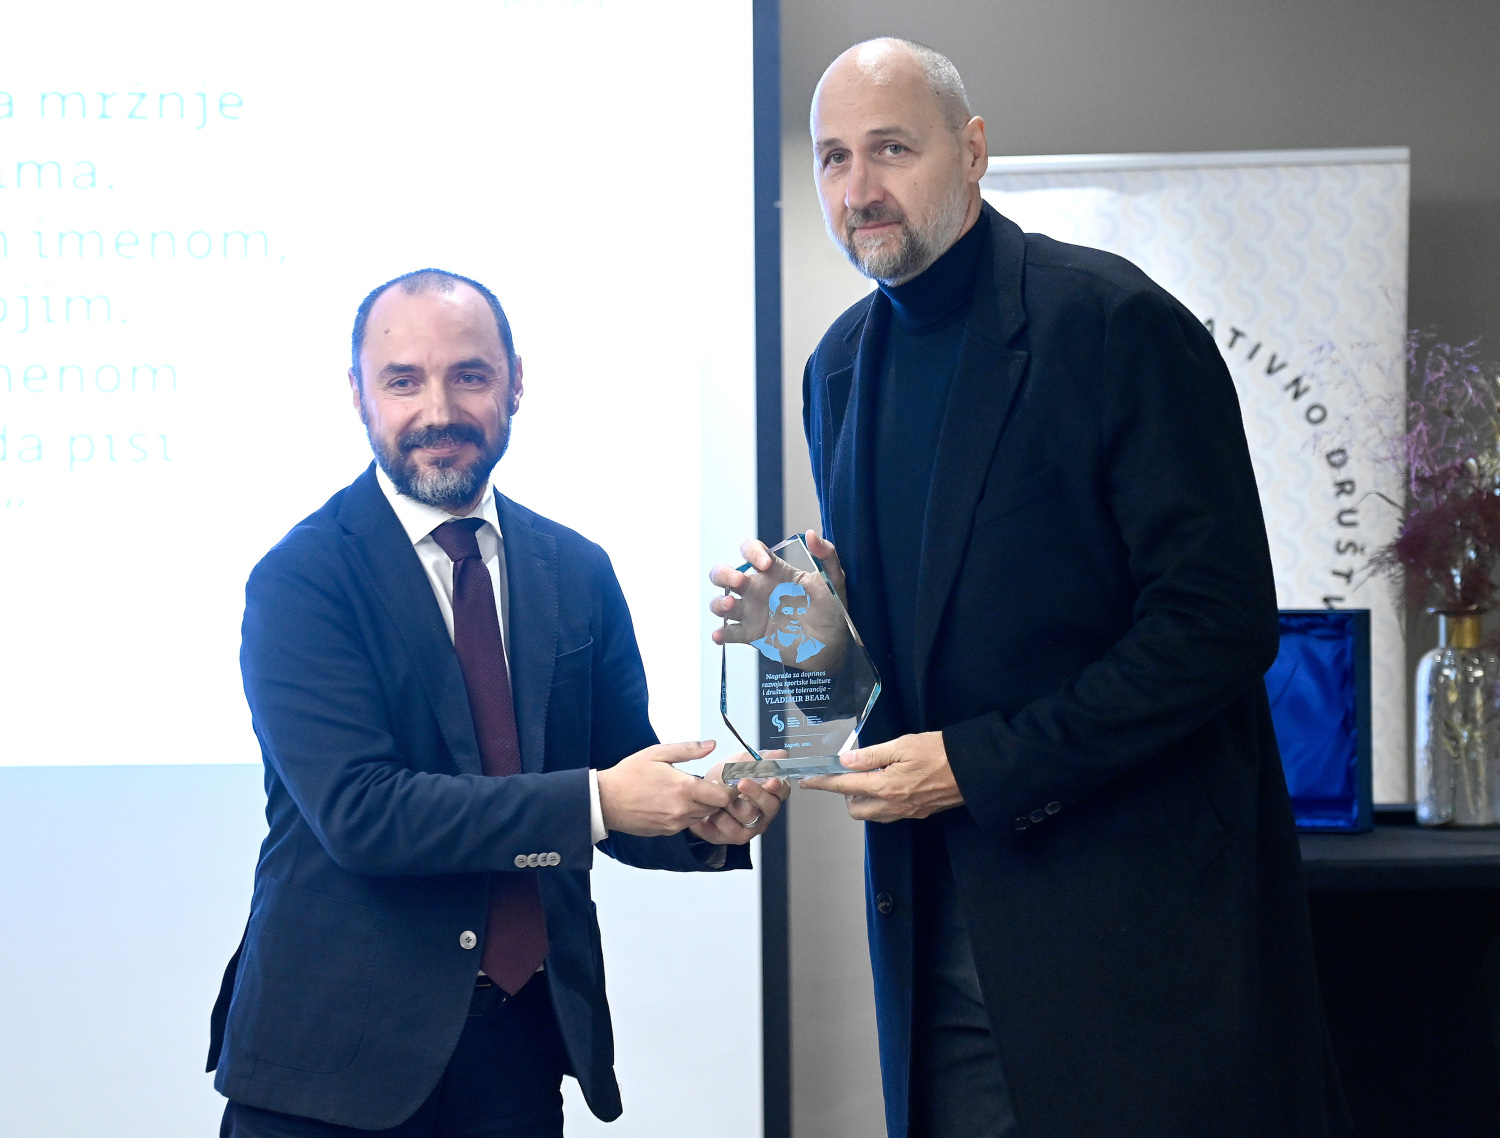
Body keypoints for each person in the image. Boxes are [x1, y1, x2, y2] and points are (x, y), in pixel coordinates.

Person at [713, 38, 1347, 1138]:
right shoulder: (837, 367)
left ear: (972, 152)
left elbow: (1218, 623)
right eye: (831, 158)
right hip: (932, 942)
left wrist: (978, 764)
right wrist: (804, 644)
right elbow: (907, 652)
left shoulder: (1113, 324)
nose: (858, 189)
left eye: (890, 149)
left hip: (1140, 953)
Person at [210, 268, 788, 1137]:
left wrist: (705, 817)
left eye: (469, 375)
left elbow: (618, 778)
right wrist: (602, 800)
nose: (437, 410)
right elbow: (363, 815)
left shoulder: (575, 568)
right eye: (403, 381)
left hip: (519, 1052)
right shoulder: (303, 578)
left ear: (516, 382)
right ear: (358, 395)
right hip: (333, 1070)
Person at [750, 583, 825, 664]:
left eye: (801, 611)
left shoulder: (818, 648)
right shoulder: (760, 647)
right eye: (787, 611)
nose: (795, 618)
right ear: (772, 615)